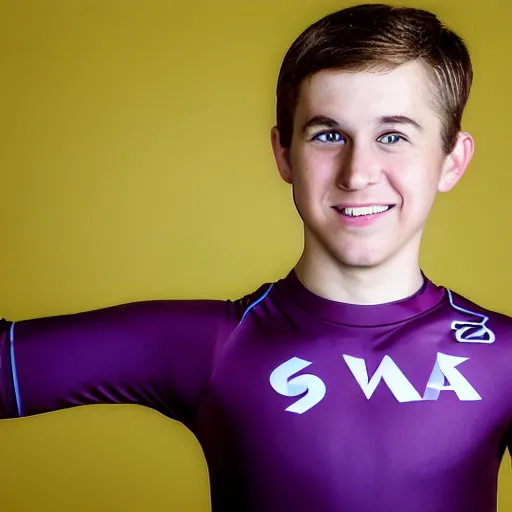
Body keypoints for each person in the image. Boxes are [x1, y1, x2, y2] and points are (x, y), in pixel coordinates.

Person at [1, 3, 510, 511]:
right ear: (284, 153)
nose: (358, 173)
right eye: (329, 135)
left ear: (452, 161)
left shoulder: (504, 357)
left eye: (392, 136)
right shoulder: (213, 347)